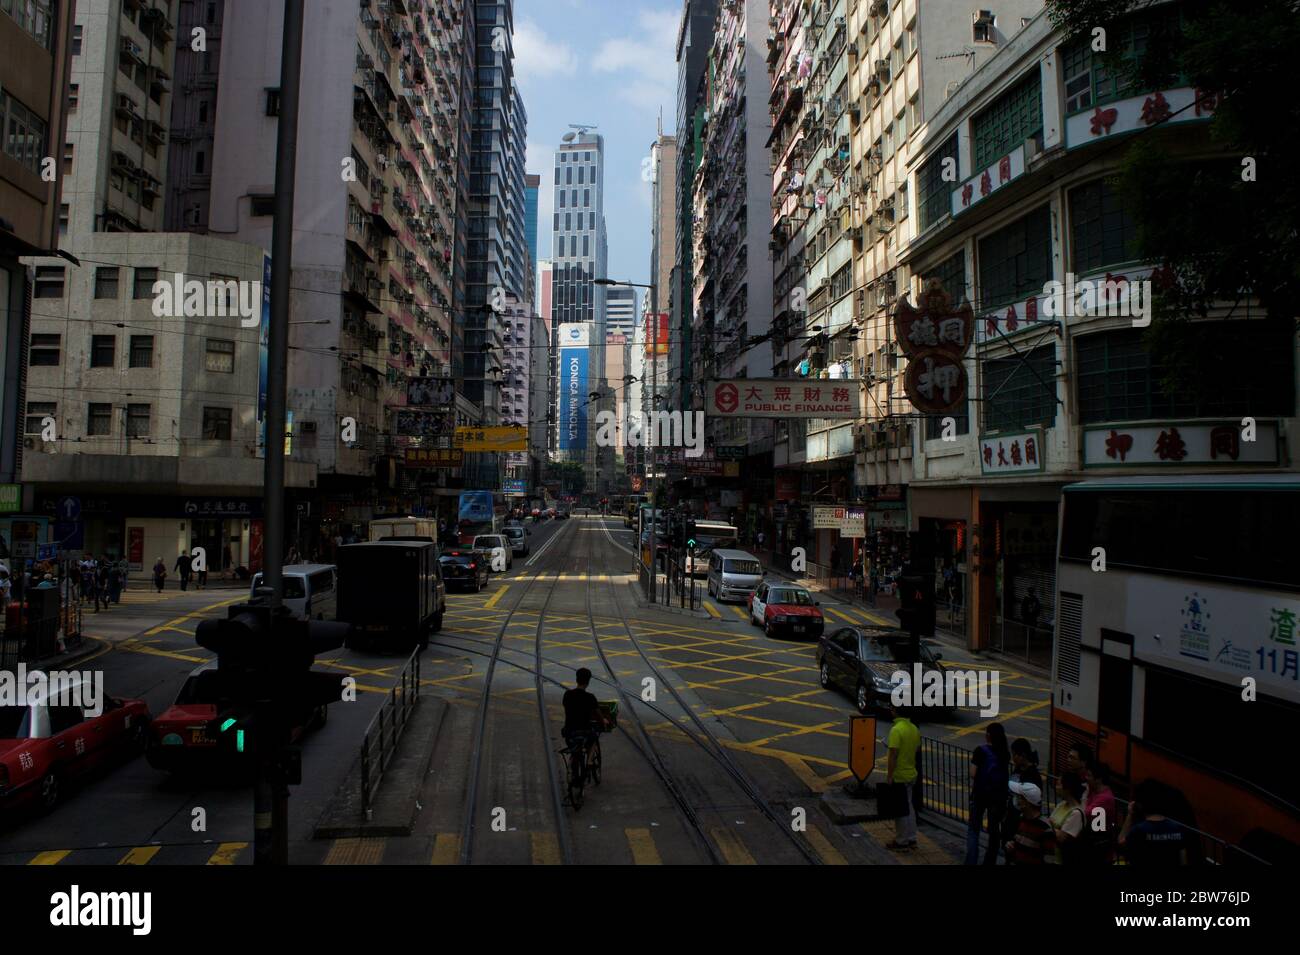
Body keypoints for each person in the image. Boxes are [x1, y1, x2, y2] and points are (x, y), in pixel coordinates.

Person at [1119, 779, 1192, 865]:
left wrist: (1130, 814)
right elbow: (1183, 859)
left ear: (1139, 804)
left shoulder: (1139, 830)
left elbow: (1121, 842)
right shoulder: (1177, 828)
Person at [966, 723, 1010, 865]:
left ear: (988, 736)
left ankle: (971, 861)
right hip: (997, 798)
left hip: (979, 795)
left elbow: (973, 774)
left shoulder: (980, 751)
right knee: (993, 832)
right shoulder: (1004, 753)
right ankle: (989, 861)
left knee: (974, 830)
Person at [885, 700, 921, 851]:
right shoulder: (913, 728)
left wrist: (890, 775)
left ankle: (901, 841)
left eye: (892, 708)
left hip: (900, 774)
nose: (891, 710)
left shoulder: (896, 730)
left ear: (896, 711)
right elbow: (917, 749)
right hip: (911, 773)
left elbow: (893, 754)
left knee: (900, 810)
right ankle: (912, 838)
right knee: (909, 807)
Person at [999, 738, 1044, 855]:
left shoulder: (1033, 775)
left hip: (1020, 825)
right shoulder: (1018, 769)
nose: (1013, 758)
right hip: (1010, 821)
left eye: (1015, 755)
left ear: (1023, 755)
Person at [561, 668, 610, 756]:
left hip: (569, 732)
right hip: (585, 732)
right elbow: (599, 715)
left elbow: (567, 710)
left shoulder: (567, 694)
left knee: (573, 747)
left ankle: (571, 763)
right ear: (588, 682)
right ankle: (589, 761)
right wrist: (603, 721)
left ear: (576, 679)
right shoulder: (590, 697)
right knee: (594, 737)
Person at [1004, 781, 1054, 864]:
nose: (1016, 799)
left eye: (1019, 797)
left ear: (1026, 803)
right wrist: (1010, 846)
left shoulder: (1045, 828)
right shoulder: (1020, 818)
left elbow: (1049, 858)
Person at [1049, 771, 1089, 864]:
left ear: (1067, 789)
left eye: (1059, 784)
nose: (1056, 787)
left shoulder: (1077, 813)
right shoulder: (1061, 804)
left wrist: (1051, 826)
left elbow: (1061, 837)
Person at [1084, 760, 1118, 863]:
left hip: (1099, 849)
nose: (1086, 778)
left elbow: (1085, 813)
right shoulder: (1094, 791)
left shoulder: (1105, 798)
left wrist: (1084, 796)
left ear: (1098, 779)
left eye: (1089, 775)